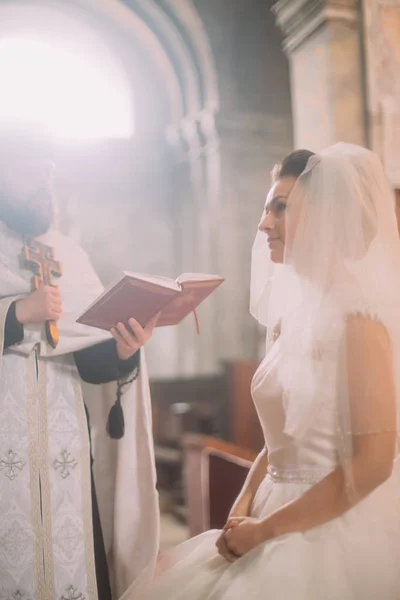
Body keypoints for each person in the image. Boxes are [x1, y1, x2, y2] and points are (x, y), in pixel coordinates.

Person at [122, 143, 400, 600]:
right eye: (266, 208)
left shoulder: (360, 323)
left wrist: (267, 530)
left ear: (326, 216)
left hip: (332, 526)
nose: (262, 223)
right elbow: (277, 442)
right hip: (267, 510)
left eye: (280, 208)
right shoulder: (288, 319)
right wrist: (245, 503)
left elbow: (372, 465)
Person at [0, 128, 159, 600]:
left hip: (65, 451)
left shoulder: (68, 254)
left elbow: (90, 359)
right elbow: (26, 317)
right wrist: (16, 313)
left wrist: (123, 350)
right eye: (33, 170)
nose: (45, 182)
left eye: (49, 172)